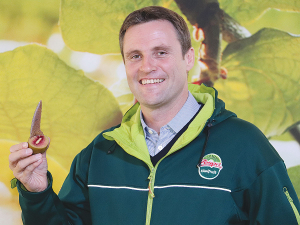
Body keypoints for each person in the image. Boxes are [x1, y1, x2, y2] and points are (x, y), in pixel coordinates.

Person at [9, 6, 300, 225]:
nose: (147, 66)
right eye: (135, 56)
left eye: (161, 52)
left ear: (189, 58)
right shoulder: (99, 155)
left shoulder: (245, 146)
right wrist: (37, 193)